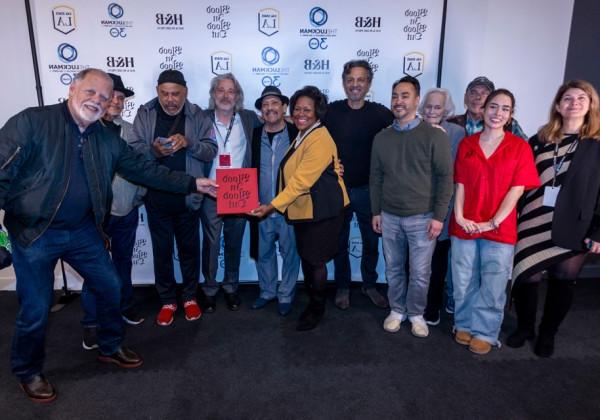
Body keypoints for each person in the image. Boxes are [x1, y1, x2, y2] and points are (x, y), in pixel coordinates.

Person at [0, 68, 217, 402]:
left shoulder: (106, 138)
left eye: (104, 96)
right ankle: (28, 371)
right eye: (91, 92)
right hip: (34, 233)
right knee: (36, 307)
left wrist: (192, 182)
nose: (97, 101)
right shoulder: (33, 122)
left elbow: (145, 169)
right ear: (72, 89)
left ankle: (111, 346)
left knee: (111, 286)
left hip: (83, 229)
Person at [509, 80, 600, 357]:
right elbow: (520, 179)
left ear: (590, 105)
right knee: (527, 275)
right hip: (532, 219)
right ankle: (526, 328)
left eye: (580, 98)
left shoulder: (596, 145)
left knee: (563, 280)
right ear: (558, 106)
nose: (574, 103)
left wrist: (598, 231)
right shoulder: (539, 140)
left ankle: (548, 333)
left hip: (575, 222)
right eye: (568, 98)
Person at [250, 85, 349, 331]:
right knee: (309, 259)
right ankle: (312, 304)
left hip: (322, 211)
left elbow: (301, 181)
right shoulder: (304, 133)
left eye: (307, 109)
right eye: (298, 109)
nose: (301, 113)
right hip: (305, 210)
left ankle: (316, 309)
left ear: (318, 112)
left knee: (315, 262)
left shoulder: (319, 137)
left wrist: (271, 206)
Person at [450, 89, 539, 355]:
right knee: (463, 279)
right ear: (484, 109)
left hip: (499, 229)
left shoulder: (519, 147)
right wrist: (459, 216)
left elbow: (517, 189)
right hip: (464, 226)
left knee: (493, 282)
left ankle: (486, 332)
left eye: (505, 108)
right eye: (493, 106)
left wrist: (492, 222)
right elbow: (460, 184)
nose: (497, 113)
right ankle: (463, 323)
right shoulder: (468, 144)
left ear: (511, 115)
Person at [132, 69, 217, 326]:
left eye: (175, 94)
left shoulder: (198, 114)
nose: (170, 99)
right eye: (165, 93)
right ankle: (168, 300)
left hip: (188, 197)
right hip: (156, 198)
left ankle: (190, 297)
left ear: (185, 92)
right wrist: (153, 151)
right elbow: (133, 155)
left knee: (190, 250)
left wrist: (189, 142)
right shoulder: (145, 113)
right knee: (162, 251)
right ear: (157, 91)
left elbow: (210, 150)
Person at [370, 76, 453, 339]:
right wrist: (376, 211)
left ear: (417, 100)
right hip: (390, 216)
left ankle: (416, 313)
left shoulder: (434, 136)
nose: (399, 101)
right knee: (393, 269)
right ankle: (397, 310)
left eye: (405, 95)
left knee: (420, 273)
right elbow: (376, 178)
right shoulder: (382, 138)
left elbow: (445, 178)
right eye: (395, 95)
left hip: (423, 217)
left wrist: (439, 216)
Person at [80, 73, 145, 351]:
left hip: (126, 211)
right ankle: (92, 323)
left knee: (123, 262)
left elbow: (142, 167)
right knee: (95, 272)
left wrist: (137, 197)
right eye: (113, 97)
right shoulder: (85, 129)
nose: (117, 102)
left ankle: (124, 306)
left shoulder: (129, 131)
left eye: (121, 98)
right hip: (94, 216)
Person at [324, 59, 393, 310]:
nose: (355, 84)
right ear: (344, 83)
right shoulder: (330, 112)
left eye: (361, 79)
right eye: (350, 79)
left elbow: (406, 125)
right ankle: (342, 285)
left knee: (371, 241)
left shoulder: (381, 114)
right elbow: (304, 123)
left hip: (369, 190)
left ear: (369, 83)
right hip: (338, 189)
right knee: (339, 241)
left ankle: (370, 284)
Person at [200, 73, 260, 312]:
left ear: (238, 96)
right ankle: (210, 289)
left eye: (231, 91)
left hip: (239, 191)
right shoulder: (201, 118)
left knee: (234, 243)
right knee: (211, 244)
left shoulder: (247, 118)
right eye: (221, 90)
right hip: (211, 191)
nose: (225, 95)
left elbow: (274, 123)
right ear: (214, 95)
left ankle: (231, 287)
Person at [249, 86, 300, 316]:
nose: (270, 108)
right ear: (261, 110)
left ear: (283, 107)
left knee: (290, 252)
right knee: (264, 252)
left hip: (290, 206)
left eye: (274, 103)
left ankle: (286, 294)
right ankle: (267, 292)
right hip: (260, 206)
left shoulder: (297, 133)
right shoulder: (254, 134)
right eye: (265, 104)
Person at [418, 88, 466, 325]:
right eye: (428, 106)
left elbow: (456, 172)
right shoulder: (412, 128)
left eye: (438, 107)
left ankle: (433, 306)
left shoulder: (457, 132)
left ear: (446, 110)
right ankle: (414, 305)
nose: (432, 111)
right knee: (414, 262)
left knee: (437, 262)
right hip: (414, 207)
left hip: (442, 207)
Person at [447, 76, 527, 139]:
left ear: (492, 99)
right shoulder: (450, 123)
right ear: (465, 98)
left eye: (484, 93)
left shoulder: (509, 124)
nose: (478, 97)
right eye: (473, 93)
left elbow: (527, 150)